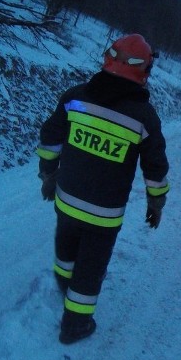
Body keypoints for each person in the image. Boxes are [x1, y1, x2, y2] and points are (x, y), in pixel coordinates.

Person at [36, 33, 170, 344]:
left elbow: (50, 138)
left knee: (66, 245)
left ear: (107, 59)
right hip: (103, 215)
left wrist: (47, 174)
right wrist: (156, 204)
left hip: (66, 199)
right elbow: (155, 167)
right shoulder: (144, 117)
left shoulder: (75, 97)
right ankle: (75, 325)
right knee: (91, 267)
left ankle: (62, 282)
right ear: (143, 72)